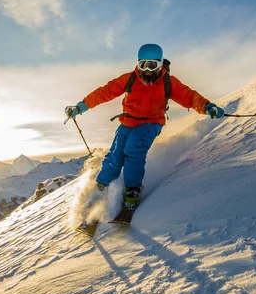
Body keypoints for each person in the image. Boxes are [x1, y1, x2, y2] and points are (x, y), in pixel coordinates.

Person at [66, 43, 224, 211]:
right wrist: (80, 107)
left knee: (133, 149)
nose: (148, 70)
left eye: (152, 65)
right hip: (128, 121)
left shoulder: (168, 82)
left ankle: (132, 190)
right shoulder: (130, 78)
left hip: (151, 122)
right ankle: (101, 186)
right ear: (138, 64)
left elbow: (189, 96)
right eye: (144, 65)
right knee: (115, 155)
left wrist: (208, 107)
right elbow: (105, 92)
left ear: (160, 64)